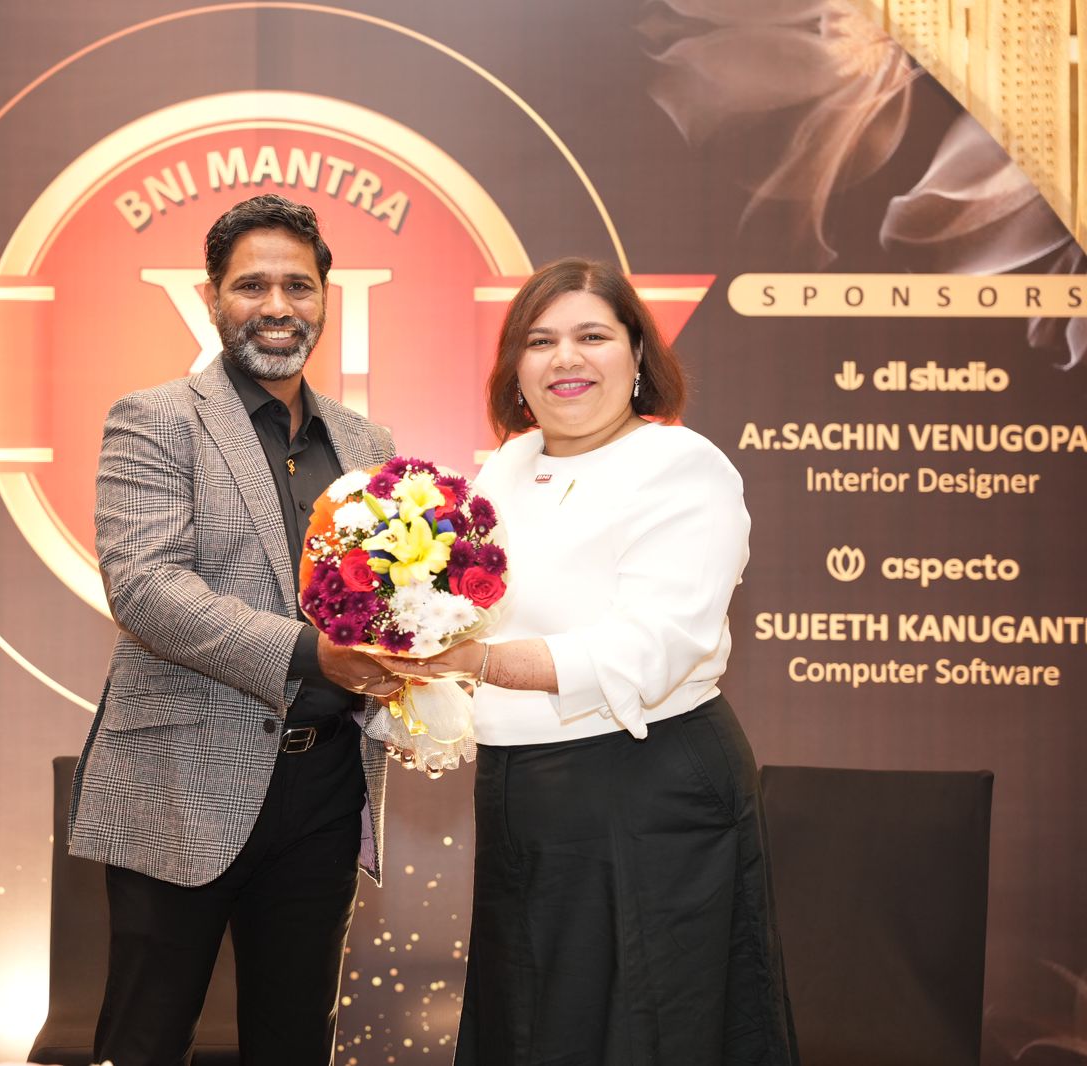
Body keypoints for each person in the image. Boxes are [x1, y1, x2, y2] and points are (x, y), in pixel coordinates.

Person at [377, 258, 799, 1064]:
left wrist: (474, 661)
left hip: (647, 789)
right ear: (515, 368)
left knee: (646, 1032)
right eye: (539, 341)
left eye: (592, 336)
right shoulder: (508, 464)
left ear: (637, 353)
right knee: (529, 1027)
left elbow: (647, 650)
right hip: (521, 793)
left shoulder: (683, 466)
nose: (564, 359)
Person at [68, 194, 401, 1066]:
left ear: (325, 297)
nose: (277, 306)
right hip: (182, 774)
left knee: (295, 1042)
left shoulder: (366, 442)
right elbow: (145, 589)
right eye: (252, 285)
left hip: (327, 785)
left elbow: (389, 598)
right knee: (144, 1041)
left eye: (299, 285)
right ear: (212, 296)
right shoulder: (155, 418)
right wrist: (313, 655)